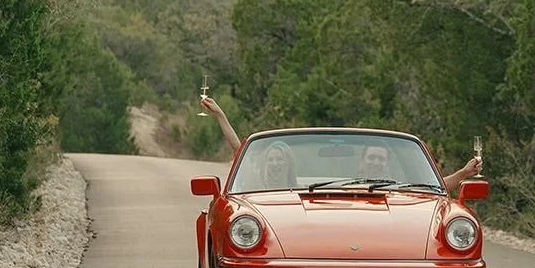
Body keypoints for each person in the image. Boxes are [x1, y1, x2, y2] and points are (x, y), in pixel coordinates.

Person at [200, 96, 482, 192]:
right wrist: (221, 115)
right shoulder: (257, 180)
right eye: (372, 158)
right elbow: (239, 150)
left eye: (380, 159)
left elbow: (434, 190)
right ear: (361, 162)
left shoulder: (393, 186)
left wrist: (464, 173)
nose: (375, 163)